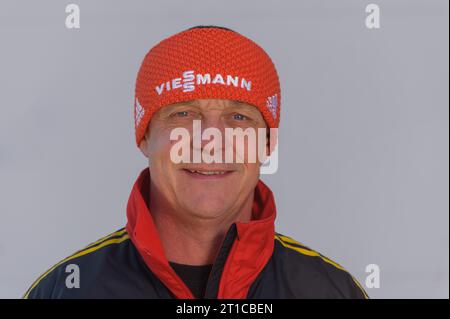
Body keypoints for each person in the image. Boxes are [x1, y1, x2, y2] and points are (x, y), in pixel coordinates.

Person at [24, 25, 368, 299]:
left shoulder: (332, 291)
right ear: (145, 136)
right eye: (184, 113)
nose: (210, 140)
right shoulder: (65, 291)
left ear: (267, 142)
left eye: (238, 117)